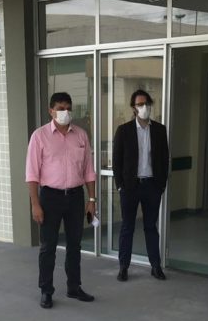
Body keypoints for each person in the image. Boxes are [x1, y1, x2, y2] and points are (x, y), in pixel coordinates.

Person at [26, 92, 97, 309]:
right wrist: (35, 204)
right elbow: (32, 173)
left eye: (68, 108)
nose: (65, 112)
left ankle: (74, 287)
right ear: (51, 111)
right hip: (50, 198)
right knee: (48, 247)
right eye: (60, 108)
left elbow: (89, 171)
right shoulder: (39, 136)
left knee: (75, 244)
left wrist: (91, 199)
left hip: (75, 197)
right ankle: (46, 291)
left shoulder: (81, 136)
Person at [112, 89, 170, 282]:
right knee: (127, 227)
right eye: (140, 104)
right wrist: (120, 186)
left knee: (150, 227)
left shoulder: (159, 130)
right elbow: (117, 161)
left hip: (152, 186)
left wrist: (161, 185)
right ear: (133, 108)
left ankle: (155, 266)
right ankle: (123, 267)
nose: (144, 107)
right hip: (130, 187)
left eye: (146, 103)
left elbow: (164, 159)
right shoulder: (124, 130)